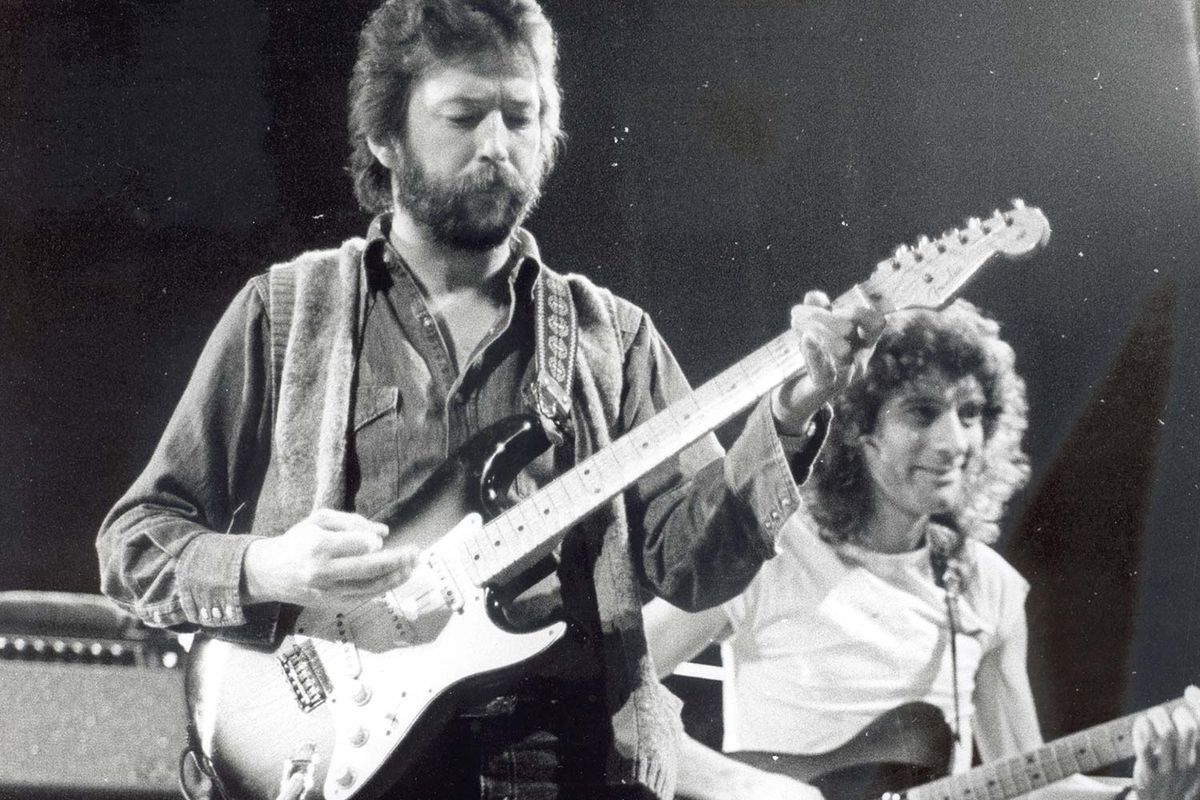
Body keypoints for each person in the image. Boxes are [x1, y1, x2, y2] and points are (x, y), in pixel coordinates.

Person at [95, 1, 884, 798]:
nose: (498, 145)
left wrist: (787, 419)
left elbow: (691, 571)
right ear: (386, 137)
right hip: (346, 768)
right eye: (464, 116)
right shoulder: (286, 314)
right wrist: (269, 566)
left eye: (521, 116)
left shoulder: (615, 339)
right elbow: (134, 545)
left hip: (559, 769)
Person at [646, 300, 1200, 800]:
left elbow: (1030, 784)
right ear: (859, 428)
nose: (954, 442)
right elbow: (617, 696)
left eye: (969, 413)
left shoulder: (986, 582)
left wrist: (1143, 797)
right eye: (921, 412)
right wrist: (747, 788)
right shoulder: (766, 551)